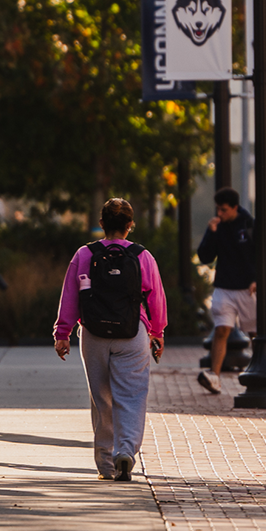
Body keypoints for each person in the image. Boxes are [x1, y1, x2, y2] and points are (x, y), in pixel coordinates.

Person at [53, 198, 166, 482]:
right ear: (130, 225)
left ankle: (105, 464)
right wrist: (157, 332)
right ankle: (125, 452)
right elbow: (156, 298)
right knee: (131, 396)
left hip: (93, 334)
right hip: (132, 334)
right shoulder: (142, 256)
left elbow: (70, 296)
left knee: (101, 399)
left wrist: (62, 333)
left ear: (101, 223)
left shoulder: (84, 254)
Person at [196, 187, 257, 395]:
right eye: (218, 210)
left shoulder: (249, 225)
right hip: (224, 288)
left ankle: (260, 371)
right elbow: (205, 256)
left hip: (247, 289)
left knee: (255, 333)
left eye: (223, 210)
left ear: (235, 208)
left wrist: (258, 279)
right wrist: (210, 234)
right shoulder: (218, 227)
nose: (219, 214)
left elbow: (262, 254)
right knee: (221, 330)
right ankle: (214, 376)